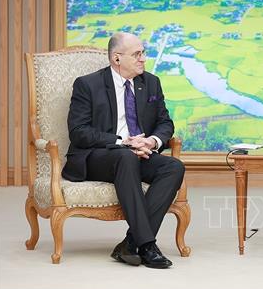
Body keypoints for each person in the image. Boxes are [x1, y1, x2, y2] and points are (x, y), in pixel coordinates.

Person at [62, 32, 185, 269]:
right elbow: (78, 131)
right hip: (98, 156)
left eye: (143, 53)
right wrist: (123, 141)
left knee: (173, 167)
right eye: (137, 54)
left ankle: (130, 243)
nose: (143, 59)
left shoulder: (150, 82)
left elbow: (165, 123)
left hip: (137, 153)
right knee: (125, 157)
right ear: (117, 58)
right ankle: (147, 245)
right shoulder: (88, 85)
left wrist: (151, 142)